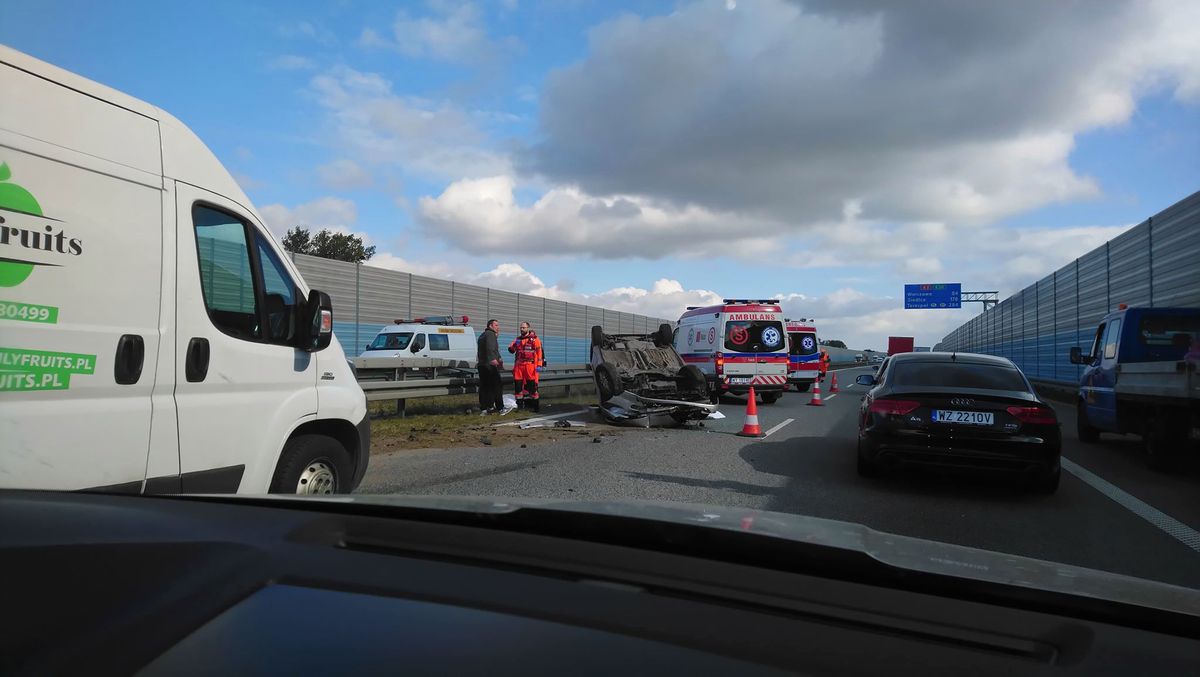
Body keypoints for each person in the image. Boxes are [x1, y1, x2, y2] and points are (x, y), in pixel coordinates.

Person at [508, 321, 545, 412]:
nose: (522, 329)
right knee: (518, 387)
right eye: (521, 328)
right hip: (519, 366)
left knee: (532, 388)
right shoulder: (518, 339)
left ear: (528, 328)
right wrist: (514, 345)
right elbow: (511, 350)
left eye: (523, 328)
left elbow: (539, 353)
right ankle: (520, 407)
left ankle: (536, 407)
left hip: (529, 365)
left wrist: (539, 365)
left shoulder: (535, 339)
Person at [476, 319, 505, 414]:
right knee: (497, 386)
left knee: (485, 387)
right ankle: (500, 408)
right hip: (490, 364)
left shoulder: (482, 335)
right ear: (490, 326)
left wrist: (498, 357)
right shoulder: (490, 334)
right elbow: (490, 347)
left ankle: (485, 407)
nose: (498, 327)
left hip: (482, 364)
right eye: (496, 325)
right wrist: (493, 359)